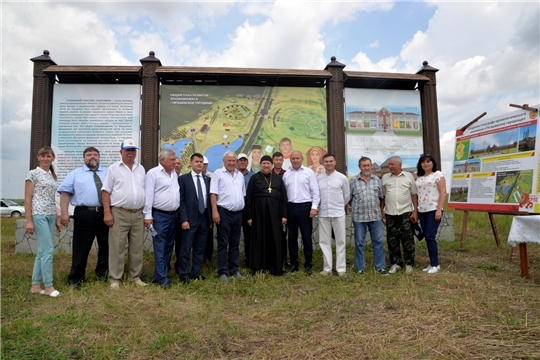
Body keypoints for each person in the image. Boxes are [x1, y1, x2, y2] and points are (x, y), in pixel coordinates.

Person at [58, 146, 109, 289]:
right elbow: (65, 193)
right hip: (84, 214)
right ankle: (76, 279)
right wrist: (64, 213)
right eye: (89, 155)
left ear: (99, 157)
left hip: (106, 213)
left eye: (95, 154)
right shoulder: (75, 174)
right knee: (81, 248)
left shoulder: (108, 172)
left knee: (106, 246)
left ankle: (103, 274)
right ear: (84, 158)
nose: (92, 157)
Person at [102, 139, 147, 288]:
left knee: (137, 247)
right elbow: (106, 191)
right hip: (119, 213)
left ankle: (135, 277)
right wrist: (107, 213)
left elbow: (144, 191)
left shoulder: (141, 169)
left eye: (133, 150)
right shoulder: (113, 168)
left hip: (137, 213)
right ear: (121, 152)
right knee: (117, 247)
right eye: (127, 150)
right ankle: (115, 278)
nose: (130, 153)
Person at [25, 146, 62, 297]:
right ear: (38, 158)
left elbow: (52, 199)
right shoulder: (33, 174)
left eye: (49, 156)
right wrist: (29, 221)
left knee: (42, 251)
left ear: (53, 158)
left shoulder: (52, 176)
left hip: (50, 215)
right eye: (43, 156)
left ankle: (35, 285)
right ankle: (48, 286)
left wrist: (57, 219)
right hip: (38, 214)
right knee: (48, 250)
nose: (46, 158)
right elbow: (27, 199)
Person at [143, 150, 180, 289]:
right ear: (162, 160)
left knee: (169, 246)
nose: (174, 162)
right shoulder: (153, 173)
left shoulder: (174, 174)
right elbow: (148, 195)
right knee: (160, 246)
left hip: (173, 215)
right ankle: (163, 278)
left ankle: (158, 275)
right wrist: (148, 215)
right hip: (159, 216)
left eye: (175, 160)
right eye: (171, 160)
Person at [246, 155, 288, 275]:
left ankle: (275, 267)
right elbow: (248, 198)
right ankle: (258, 267)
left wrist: (284, 215)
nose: (266, 165)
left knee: (274, 239)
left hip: (275, 215)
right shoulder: (254, 178)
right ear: (260, 165)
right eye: (264, 163)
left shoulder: (278, 179)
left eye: (268, 163)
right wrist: (249, 216)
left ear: (271, 165)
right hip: (258, 215)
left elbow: (284, 198)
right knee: (258, 239)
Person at [210, 151, 247, 283]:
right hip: (224, 213)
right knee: (222, 244)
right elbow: (213, 194)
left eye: (233, 161)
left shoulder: (240, 176)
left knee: (235, 244)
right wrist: (215, 212)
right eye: (229, 161)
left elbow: (242, 194)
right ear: (224, 161)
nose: (231, 163)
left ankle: (234, 270)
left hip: (238, 214)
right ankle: (222, 271)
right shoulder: (218, 174)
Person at [282, 150, 320, 275]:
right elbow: (283, 195)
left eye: (297, 158)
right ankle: (294, 264)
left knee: (306, 237)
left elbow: (315, 191)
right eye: (293, 158)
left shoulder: (309, 173)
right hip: (291, 207)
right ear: (290, 160)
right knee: (291, 238)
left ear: (302, 159)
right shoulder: (286, 174)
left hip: (305, 207)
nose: (295, 160)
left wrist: (314, 207)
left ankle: (308, 264)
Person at [349, 156, 388, 276]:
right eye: (364, 165)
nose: (366, 168)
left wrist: (381, 213)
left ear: (371, 166)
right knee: (359, 243)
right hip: (359, 218)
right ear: (359, 167)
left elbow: (381, 198)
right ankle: (360, 267)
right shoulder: (353, 181)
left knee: (378, 242)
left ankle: (380, 267)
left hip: (375, 217)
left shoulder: (377, 180)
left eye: (368, 165)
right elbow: (350, 199)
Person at [178, 153, 212, 283]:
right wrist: (184, 219)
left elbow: (209, 200)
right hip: (190, 219)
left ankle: (195, 273)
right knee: (186, 248)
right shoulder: (184, 179)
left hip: (204, 218)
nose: (199, 164)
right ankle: (184, 274)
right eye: (197, 161)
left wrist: (209, 220)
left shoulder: (207, 179)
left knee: (200, 248)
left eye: (201, 162)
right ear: (191, 163)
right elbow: (181, 201)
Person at [381, 156, 418, 274]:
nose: (390, 167)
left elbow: (414, 194)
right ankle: (396, 263)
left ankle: (409, 263)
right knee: (392, 240)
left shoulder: (408, 177)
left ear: (399, 165)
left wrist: (415, 211)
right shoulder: (385, 178)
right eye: (389, 164)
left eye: (392, 164)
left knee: (407, 239)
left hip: (405, 212)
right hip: (390, 213)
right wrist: (382, 211)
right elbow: (382, 196)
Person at [317, 154, 350, 276]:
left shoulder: (342, 178)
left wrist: (339, 205)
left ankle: (341, 268)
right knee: (324, 241)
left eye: (331, 161)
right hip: (324, 213)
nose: (329, 163)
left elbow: (347, 196)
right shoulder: (319, 178)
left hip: (338, 213)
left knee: (340, 241)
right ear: (323, 163)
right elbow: (316, 195)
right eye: (326, 161)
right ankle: (327, 268)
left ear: (335, 162)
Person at [416, 153, 447, 274]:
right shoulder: (419, 177)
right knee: (427, 238)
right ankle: (432, 263)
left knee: (430, 236)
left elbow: (443, 192)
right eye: (423, 162)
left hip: (433, 209)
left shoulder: (438, 175)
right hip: (422, 210)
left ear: (433, 163)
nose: (426, 164)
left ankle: (435, 264)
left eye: (428, 161)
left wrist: (439, 209)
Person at [237, 153, 254, 267]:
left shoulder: (253, 176)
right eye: (240, 160)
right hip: (236, 210)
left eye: (245, 160)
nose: (243, 162)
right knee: (234, 237)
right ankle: (234, 261)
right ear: (237, 162)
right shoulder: (233, 174)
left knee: (249, 237)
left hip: (248, 211)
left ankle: (249, 260)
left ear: (248, 162)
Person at [272, 151, 289, 268]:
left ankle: (284, 260)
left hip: (282, 209)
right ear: (273, 161)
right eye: (276, 160)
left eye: (280, 160)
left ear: (283, 161)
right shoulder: (268, 173)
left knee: (283, 237)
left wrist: (284, 214)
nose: (278, 162)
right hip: (271, 209)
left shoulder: (286, 174)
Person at [202, 155, 214, 266]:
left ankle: (208, 257)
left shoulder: (211, 177)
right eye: (202, 164)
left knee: (208, 235)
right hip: (198, 212)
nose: (203, 166)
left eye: (205, 164)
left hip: (208, 212)